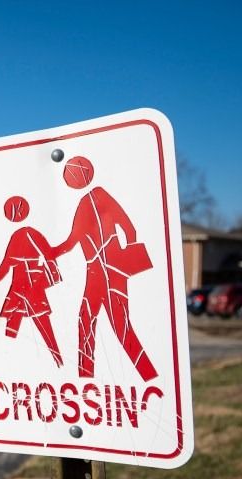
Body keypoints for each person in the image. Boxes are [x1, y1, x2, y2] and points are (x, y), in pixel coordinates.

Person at [52, 156, 157, 382]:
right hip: (96, 272)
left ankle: (150, 377)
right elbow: (73, 241)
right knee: (86, 320)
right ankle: (85, 379)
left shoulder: (98, 196)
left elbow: (128, 229)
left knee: (120, 327)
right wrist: (48, 253)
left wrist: (120, 260)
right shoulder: (87, 203)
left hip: (108, 270)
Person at [0, 195, 64, 367]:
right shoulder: (19, 236)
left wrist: (52, 276)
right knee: (11, 332)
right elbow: (5, 267)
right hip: (19, 288)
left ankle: (59, 362)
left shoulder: (30, 234)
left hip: (32, 287)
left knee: (45, 330)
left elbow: (49, 255)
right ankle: (6, 369)